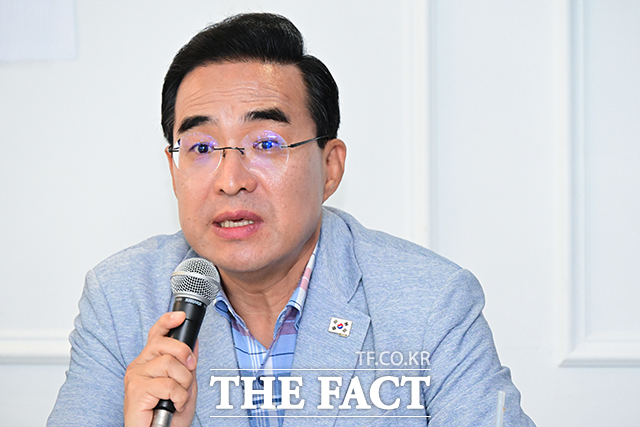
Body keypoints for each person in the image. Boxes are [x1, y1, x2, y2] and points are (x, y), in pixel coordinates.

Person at [48, 12, 535, 427]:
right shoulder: (121, 299)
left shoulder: (431, 301)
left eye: (266, 144)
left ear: (330, 167)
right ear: (173, 171)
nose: (230, 180)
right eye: (201, 147)